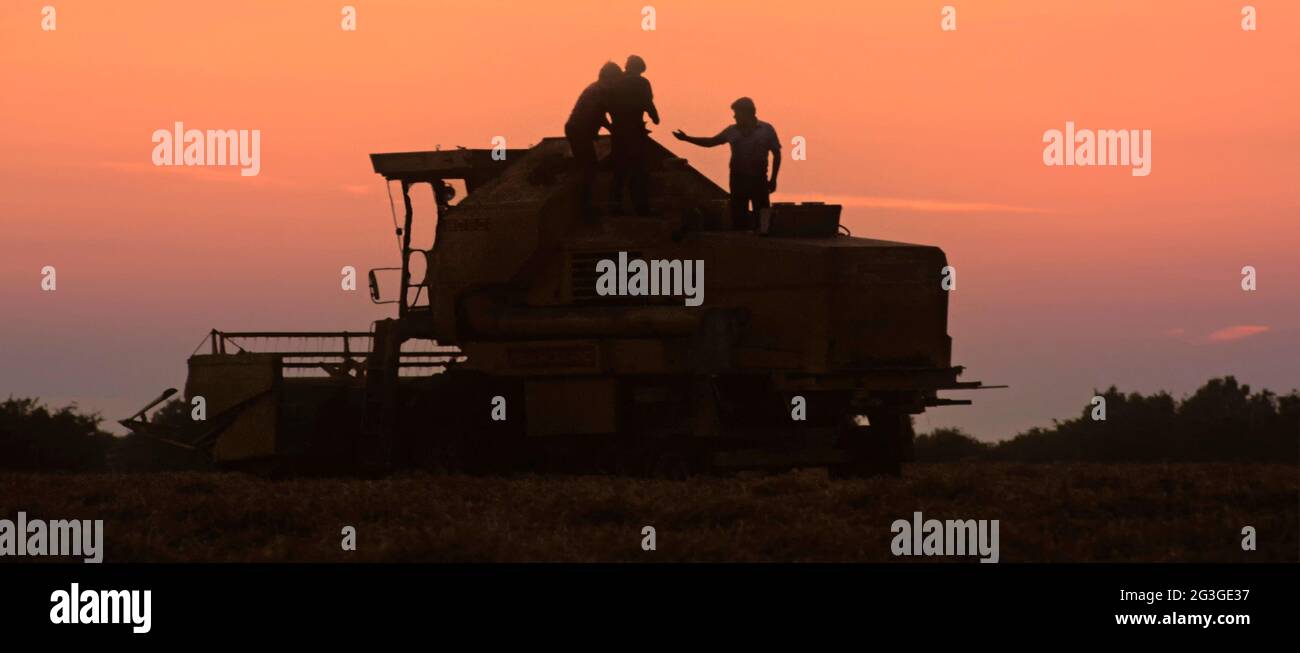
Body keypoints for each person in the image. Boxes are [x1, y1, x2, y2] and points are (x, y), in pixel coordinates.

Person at [672, 97, 781, 230]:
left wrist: (774, 178)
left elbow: (777, 154)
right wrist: (687, 138)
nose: (734, 116)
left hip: (759, 178)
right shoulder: (732, 131)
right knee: (739, 214)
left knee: (763, 213)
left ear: (747, 113)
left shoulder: (766, 130)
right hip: (738, 178)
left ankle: (764, 241)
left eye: (737, 113)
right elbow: (711, 142)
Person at [565, 62, 623, 222]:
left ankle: (584, 205)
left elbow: (598, 114)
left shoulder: (597, 88)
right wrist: (612, 128)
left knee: (587, 167)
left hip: (578, 130)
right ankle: (584, 207)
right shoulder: (602, 90)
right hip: (579, 131)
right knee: (589, 169)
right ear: (611, 77)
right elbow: (598, 114)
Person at [608, 55, 660, 216]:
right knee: (639, 170)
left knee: (619, 170)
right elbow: (648, 102)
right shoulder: (641, 82)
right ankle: (641, 207)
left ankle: (616, 206)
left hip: (617, 131)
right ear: (639, 69)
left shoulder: (615, 83)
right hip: (634, 131)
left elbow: (607, 104)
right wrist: (655, 117)